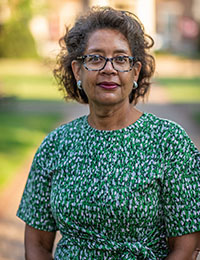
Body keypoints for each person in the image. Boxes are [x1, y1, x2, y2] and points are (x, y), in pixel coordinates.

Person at [17, 7, 200, 260]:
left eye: (121, 59)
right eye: (95, 58)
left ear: (135, 72)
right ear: (77, 71)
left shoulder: (169, 142)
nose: (108, 68)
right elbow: (36, 245)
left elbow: (186, 246)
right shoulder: (55, 145)